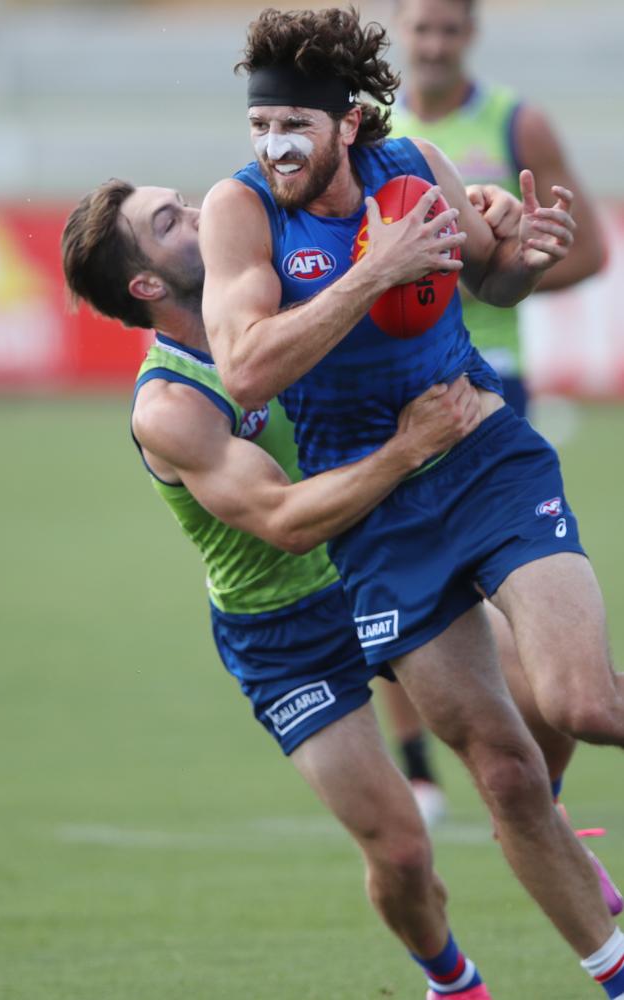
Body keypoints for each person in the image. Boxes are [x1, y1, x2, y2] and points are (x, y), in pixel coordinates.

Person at [198, 7, 624, 997]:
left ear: (348, 123)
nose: (274, 147)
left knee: (579, 701)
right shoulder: (241, 209)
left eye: (294, 126)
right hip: (375, 513)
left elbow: (489, 276)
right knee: (507, 775)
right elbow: (248, 370)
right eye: (261, 128)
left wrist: (520, 254)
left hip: (482, 457)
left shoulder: (414, 166)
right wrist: (370, 271)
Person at [61, 179, 494, 1000]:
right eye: (168, 221)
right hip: (282, 634)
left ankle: (551, 838)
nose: (196, 212)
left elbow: (392, 235)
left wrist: (482, 212)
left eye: (181, 199)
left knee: (554, 698)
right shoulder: (172, 406)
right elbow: (288, 520)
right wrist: (408, 450)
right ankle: (452, 981)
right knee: (401, 853)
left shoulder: (273, 287)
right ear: (146, 285)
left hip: (373, 562)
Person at [382, 0, 607, 823]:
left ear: (470, 35)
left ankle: (538, 776)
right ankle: (420, 771)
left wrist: (497, 267)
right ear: (396, 30)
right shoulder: (367, 129)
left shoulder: (516, 123)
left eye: (450, 29)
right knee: (391, 570)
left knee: (505, 591)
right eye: (421, 28)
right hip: (392, 379)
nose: (434, 43)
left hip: (491, 382)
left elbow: (588, 251)